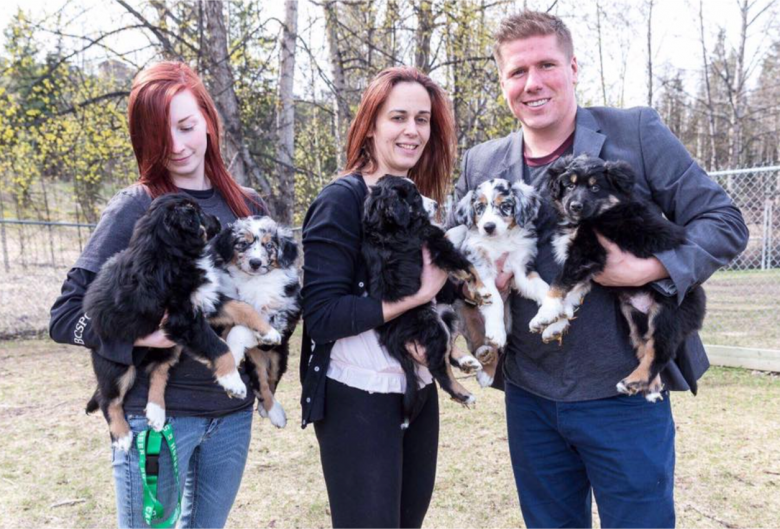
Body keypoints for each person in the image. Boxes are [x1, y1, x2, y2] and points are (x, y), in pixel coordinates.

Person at [454, 11, 749, 529]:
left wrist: (646, 269)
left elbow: (724, 222)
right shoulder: (482, 164)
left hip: (622, 397)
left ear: (573, 68)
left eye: (546, 64)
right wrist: (479, 278)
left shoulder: (634, 131)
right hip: (531, 395)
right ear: (502, 82)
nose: (533, 83)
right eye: (517, 72)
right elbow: (462, 251)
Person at [49, 61, 266, 529]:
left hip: (231, 416)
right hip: (158, 421)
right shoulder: (136, 207)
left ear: (208, 118)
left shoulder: (246, 207)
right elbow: (66, 316)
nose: (178, 145)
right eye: (161, 134)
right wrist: (139, 339)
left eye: (187, 126)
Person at [299, 66, 457, 529]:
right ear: (370, 125)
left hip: (417, 389)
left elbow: (440, 294)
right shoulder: (341, 200)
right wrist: (416, 297)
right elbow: (323, 315)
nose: (413, 131)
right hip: (358, 396)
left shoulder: (420, 202)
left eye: (423, 120)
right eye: (398, 117)